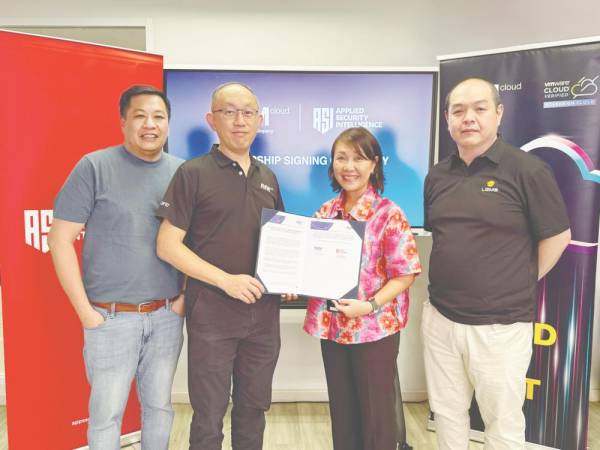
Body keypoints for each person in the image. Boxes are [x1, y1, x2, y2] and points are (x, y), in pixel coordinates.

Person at [423, 77, 571, 449]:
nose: (468, 118)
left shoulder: (527, 171)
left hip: (500, 327)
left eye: (479, 108)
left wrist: (521, 278)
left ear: (499, 113)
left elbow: (558, 236)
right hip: (440, 318)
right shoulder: (437, 175)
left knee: (502, 425)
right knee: (447, 412)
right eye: (458, 110)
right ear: (447, 119)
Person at [48, 85, 185, 450]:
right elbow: (59, 240)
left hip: (166, 315)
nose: (150, 125)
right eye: (140, 116)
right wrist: (86, 313)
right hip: (109, 318)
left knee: (160, 407)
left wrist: (184, 298)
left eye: (159, 117)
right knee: (106, 415)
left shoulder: (182, 173)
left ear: (168, 124)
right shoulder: (94, 166)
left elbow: (195, 243)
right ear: (123, 121)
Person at [155, 82, 284, 450]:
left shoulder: (267, 177)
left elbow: (280, 242)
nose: (239, 121)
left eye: (247, 112)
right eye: (229, 112)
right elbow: (166, 246)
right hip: (211, 314)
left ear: (259, 120)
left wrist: (289, 278)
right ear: (212, 120)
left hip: (263, 317)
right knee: (209, 415)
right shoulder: (192, 173)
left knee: (254, 409)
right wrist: (225, 281)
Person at [289, 127, 421, 450]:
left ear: (374, 164)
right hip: (334, 329)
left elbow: (406, 274)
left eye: (359, 158)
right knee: (343, 414)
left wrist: (370, 305)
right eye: (341, 158)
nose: (349, 166)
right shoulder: (324, 213)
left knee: (377, 417)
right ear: (332, 164)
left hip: (373, 329)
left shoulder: (388, 214)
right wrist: (292, 283)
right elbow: (311, 268)